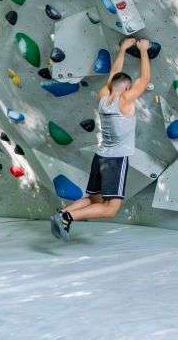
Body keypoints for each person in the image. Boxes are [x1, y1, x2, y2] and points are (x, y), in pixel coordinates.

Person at [50, 36, 151, 241]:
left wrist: (122, 49)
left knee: (94, 199)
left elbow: (113, 74)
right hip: (115, 160)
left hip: (101, 157)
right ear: (126, 88)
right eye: (130, 87)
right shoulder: (125, 100)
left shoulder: (104, 96)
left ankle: (60, 215)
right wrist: (143, 50)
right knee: (111, 209)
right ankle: (67, 217)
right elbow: (145, 79)